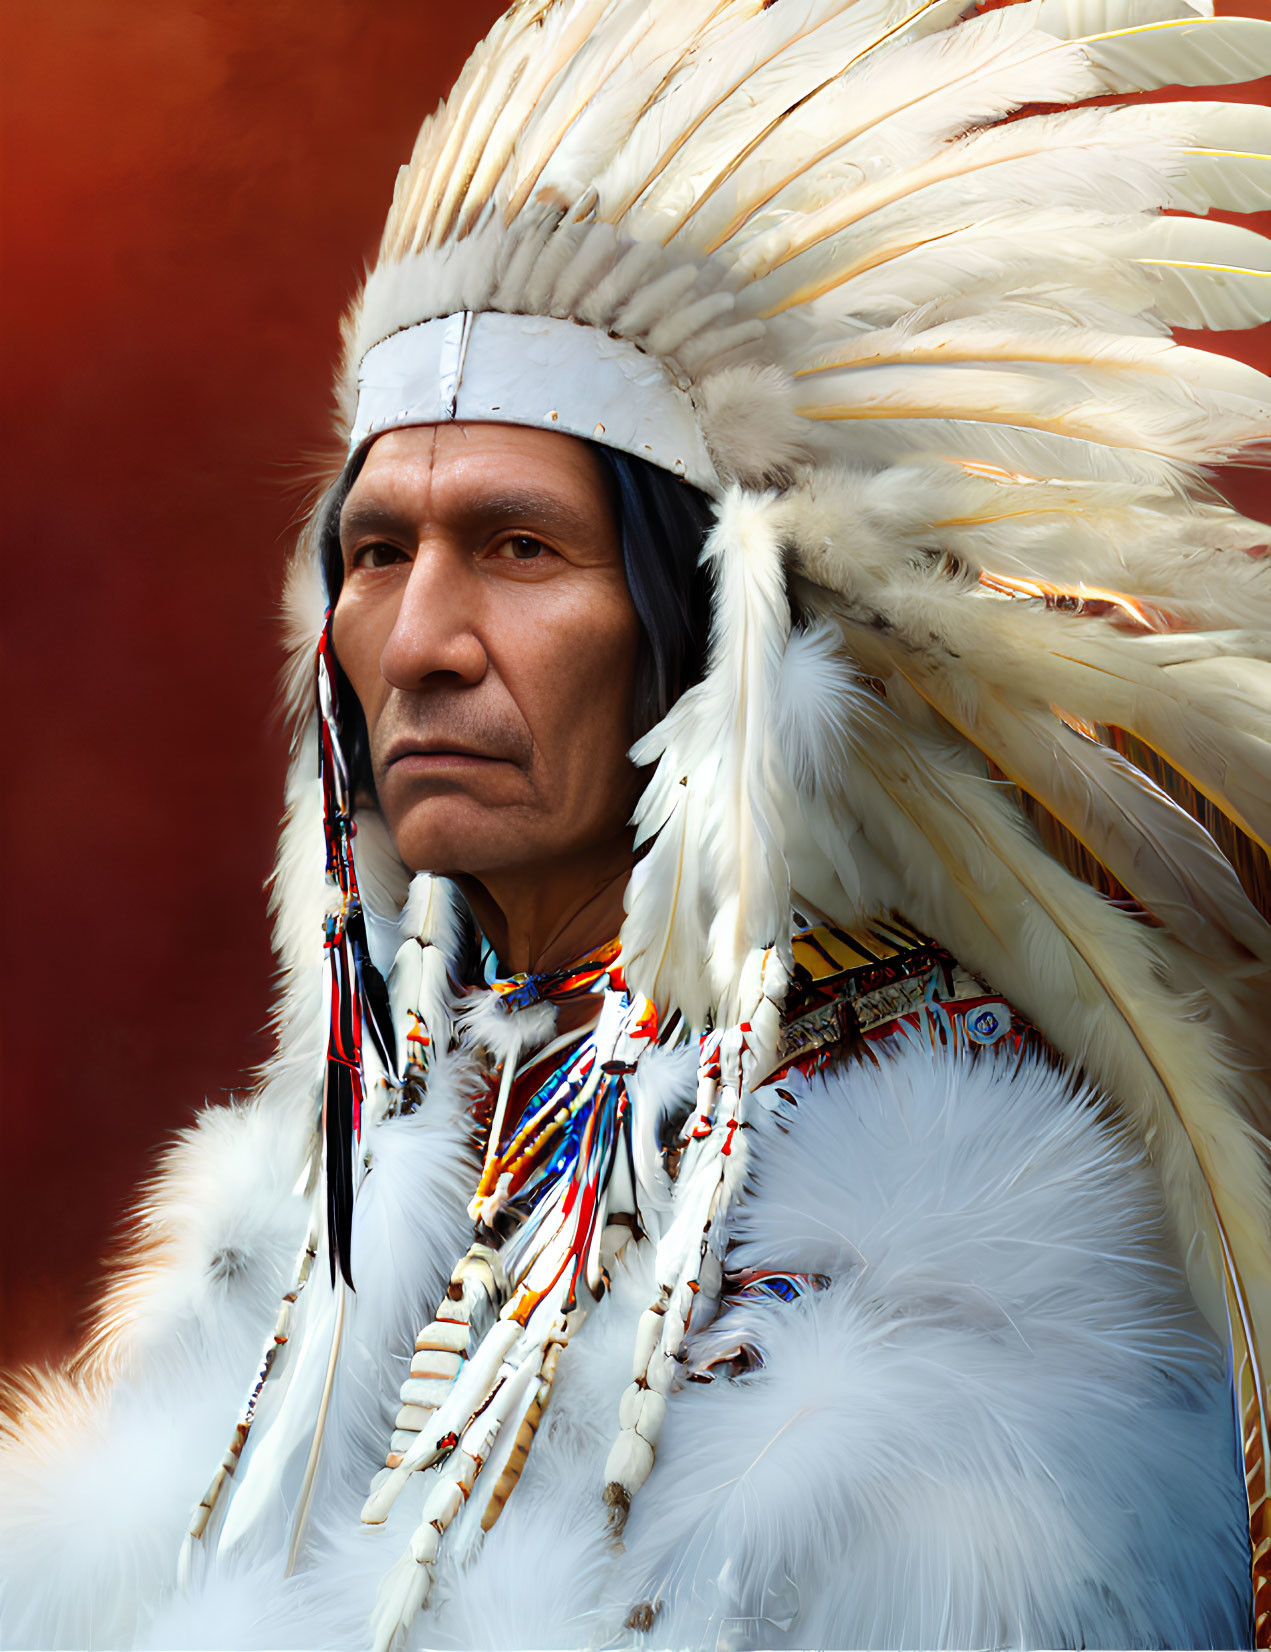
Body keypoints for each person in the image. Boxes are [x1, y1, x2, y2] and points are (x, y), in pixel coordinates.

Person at [4, 0, 1271, 1646]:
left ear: (716, 637)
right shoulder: (350, 1171)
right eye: (378, 552)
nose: (420, 641)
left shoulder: (946, 1303)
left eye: (519, 548)